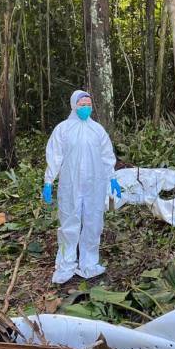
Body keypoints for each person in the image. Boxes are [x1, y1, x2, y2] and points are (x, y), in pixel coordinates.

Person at [42, 90, 122, 284]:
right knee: (69, 222)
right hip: (71, 184)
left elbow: (106, 155)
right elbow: (55, 156)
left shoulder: (98, 130)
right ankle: (66, 263)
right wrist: (48, 181)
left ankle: (89, 263)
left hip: (96, 184)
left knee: (93, 222)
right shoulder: (63, 129)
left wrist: (112, 178)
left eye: (88, 104)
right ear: (73, 105)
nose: (85, 107)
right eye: (82, 104)